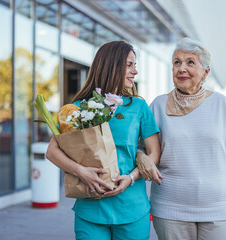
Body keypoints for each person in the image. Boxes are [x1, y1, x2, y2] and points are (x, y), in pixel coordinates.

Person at [137, 38, 226, 240]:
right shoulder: (158, 105)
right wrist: (140, 157)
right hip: (170, 210)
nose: (182, 68)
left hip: (219, 209)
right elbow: (140, 148)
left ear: (205, 71)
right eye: (177, 62)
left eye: (190, 62)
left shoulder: (220, 103)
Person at [46, 41, 161, 240]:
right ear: (111, 65)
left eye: (135, 65)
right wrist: (81, 171)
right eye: (129, 65)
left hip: (132, 208)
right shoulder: (80, 107)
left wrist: (131, 178)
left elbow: (154, 153)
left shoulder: (139, 107)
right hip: (91, 207)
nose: (135, 71)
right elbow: (52, 152)